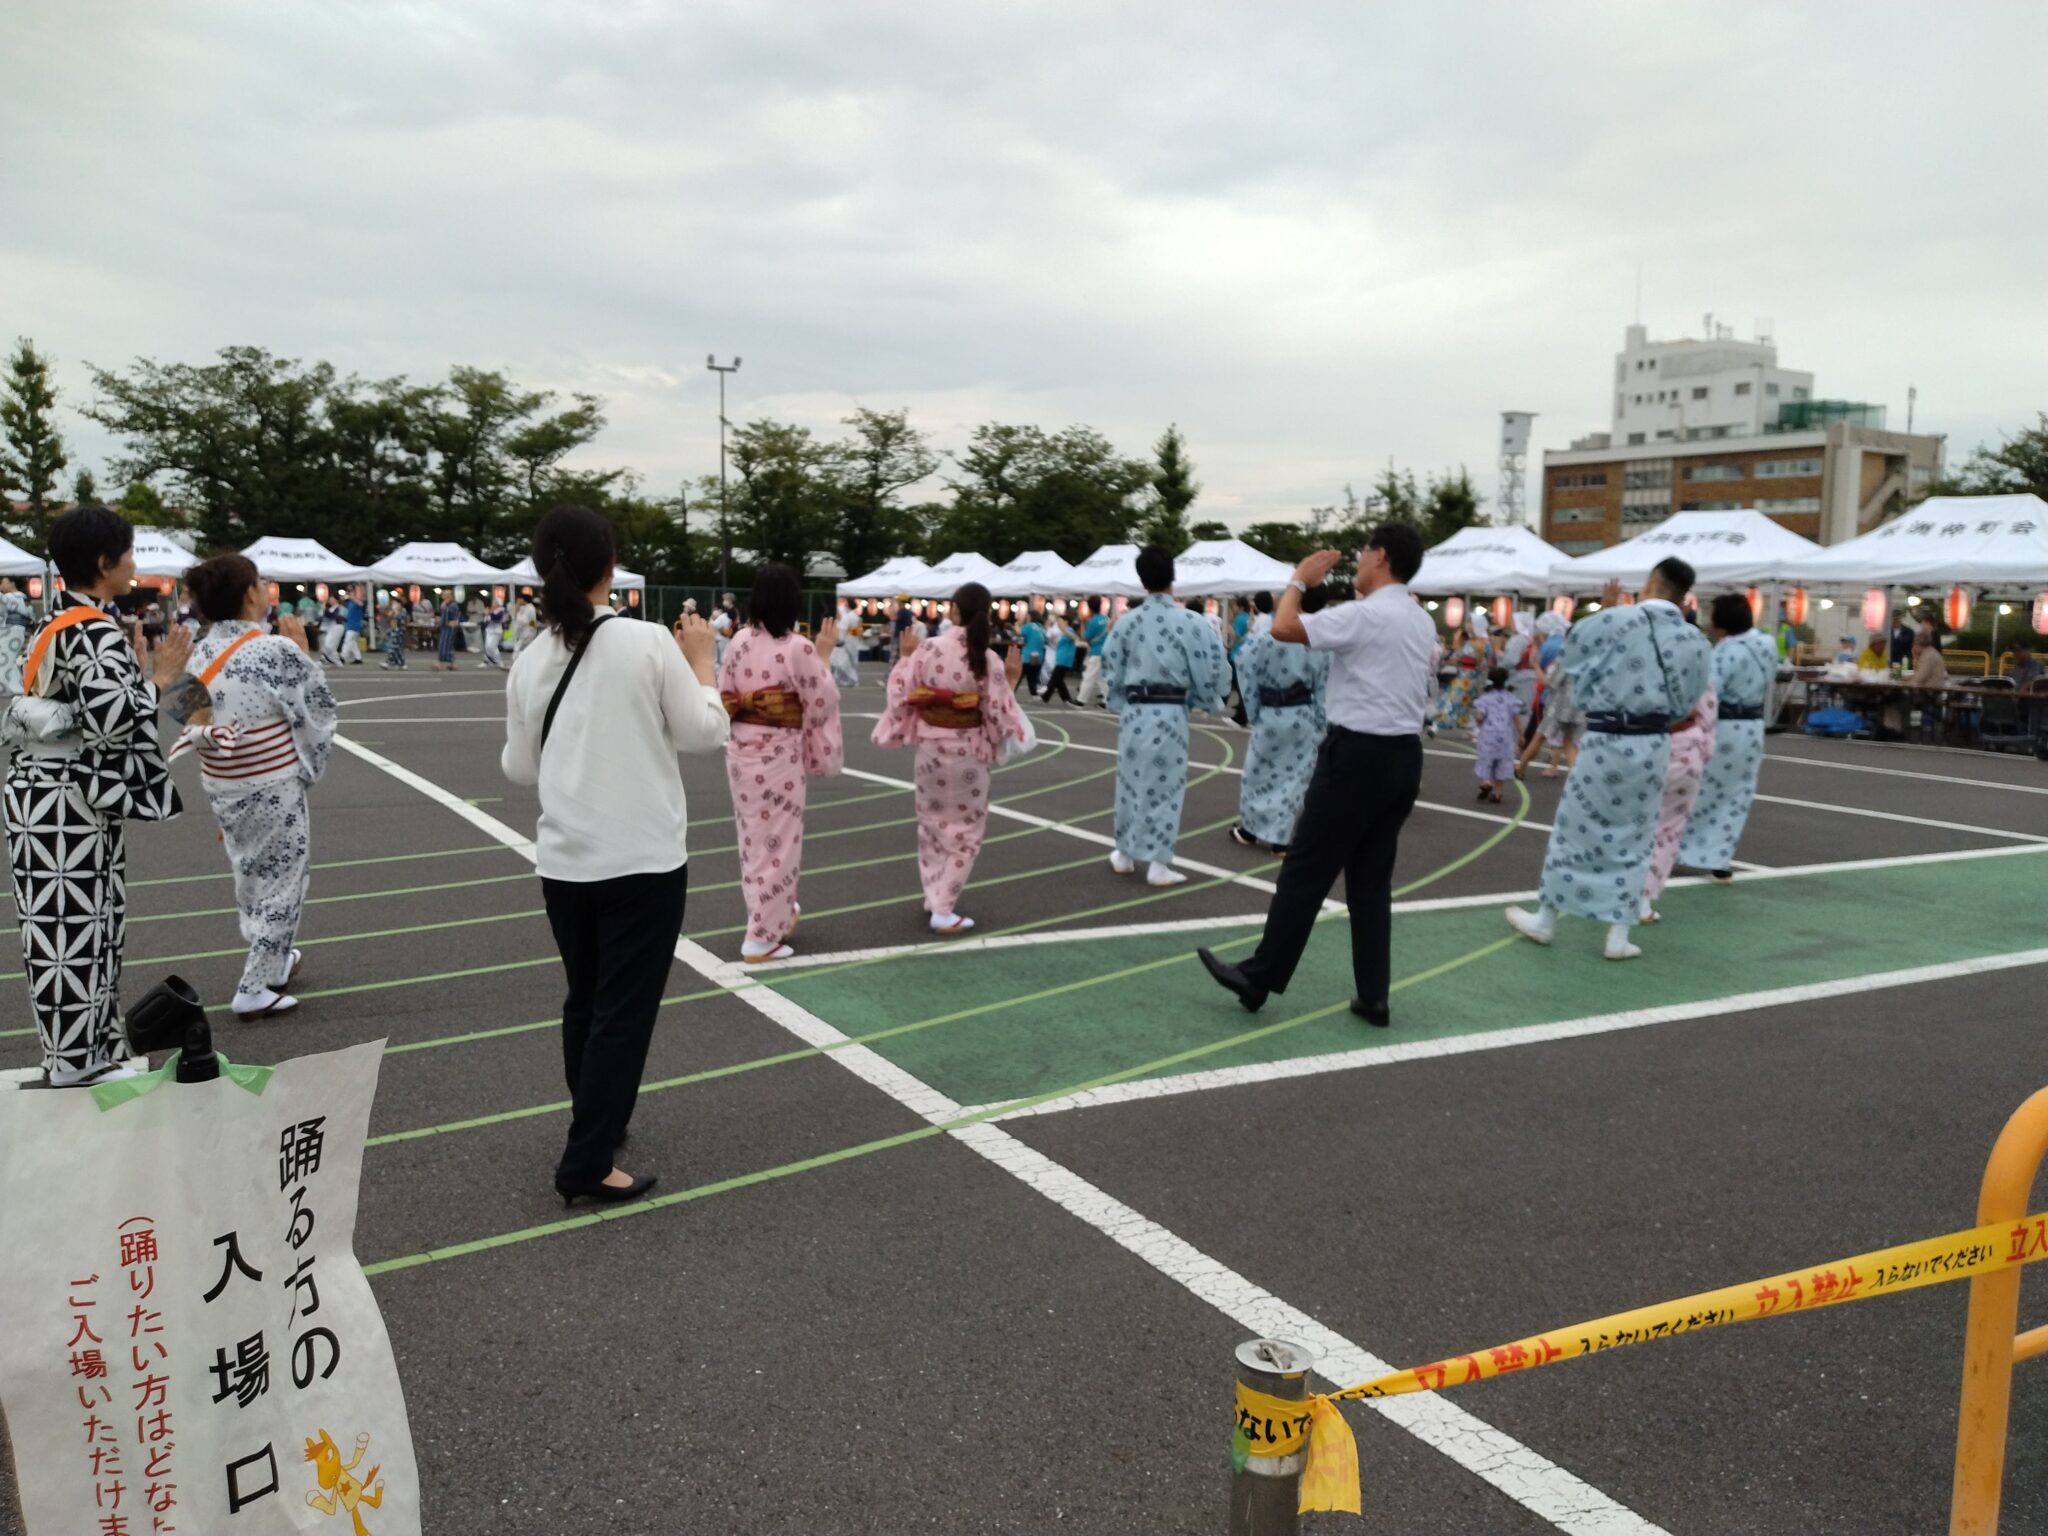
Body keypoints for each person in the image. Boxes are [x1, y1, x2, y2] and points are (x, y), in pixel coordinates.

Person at [502, 504, 728, 1206]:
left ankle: (598, 1121)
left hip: (564, 862)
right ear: (611, 565)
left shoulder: (530, 659)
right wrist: (704, 664)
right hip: (643, 860)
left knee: (588, 999)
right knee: (623, 1012)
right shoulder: (646, 641)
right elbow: (704, 732)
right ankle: (588, 1158)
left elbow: (518, 767)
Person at [1196, 524, 1433, 1026]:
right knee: (1371, 880)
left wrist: (1299, 580)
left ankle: (1260, 977)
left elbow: (1283, 627)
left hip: (1357, 754)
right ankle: (1373, 995)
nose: (1359, 563)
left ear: (1381, 557)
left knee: (1306, 870)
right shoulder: (1420, 620)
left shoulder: (1365, 615)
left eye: (1365, 553)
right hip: (1404, 756)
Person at [4, 505, 189, 1085]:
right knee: (75, 926)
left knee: (71, 922)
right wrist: (160, 680)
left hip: (42, 792)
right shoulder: (92, 630)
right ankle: (76, 1062)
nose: (135, 564)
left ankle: (86, 1051)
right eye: (129, 554)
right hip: (67, 798)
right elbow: (110, 722)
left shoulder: (56, 621)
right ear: (105, 563)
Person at [1504, 560, 1712, 961]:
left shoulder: (1610, 620)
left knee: (1574, 828)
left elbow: (1568, 666)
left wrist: (1607, 610)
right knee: (1637, 835)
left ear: (1649, 583)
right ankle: (1618, 935)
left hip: (1604, 738)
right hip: (1653, 743)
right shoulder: (1695, 640)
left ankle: (1546, 920)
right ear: (1683, 596)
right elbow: (1689, 701)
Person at [178, 554, 338, 1019]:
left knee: (249, 870)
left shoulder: (198, 652)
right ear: (251, 594)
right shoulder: (274, 650)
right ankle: (254, 986)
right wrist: (303, 656)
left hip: (222, 782)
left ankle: (273, 954)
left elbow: (186, 713)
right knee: (285, 878)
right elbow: (317, 710)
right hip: (270, 781)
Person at [871, 581, 1029, 932]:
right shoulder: (986, 658)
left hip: (930, 750)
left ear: (954, 610)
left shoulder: (927, 648)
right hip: (968, 753)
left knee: (930, 825)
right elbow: (999, 717)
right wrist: (1011, 681)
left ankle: (935, 896)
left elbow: (899, 695)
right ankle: (943, 908)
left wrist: (906, 658)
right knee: (967, 831)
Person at [721, 563, 845, 961]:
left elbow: (725, 692)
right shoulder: (797, 647)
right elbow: (822, 700)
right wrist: (823, 654)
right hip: (778, 759)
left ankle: (775, 914)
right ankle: (761, 935)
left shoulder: (739, 641)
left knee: (753, 843)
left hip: (741, 754)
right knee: (779, 844)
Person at [1101, 547, 1229, 886]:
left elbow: (1111, 666)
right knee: (1165, 786)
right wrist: (1209, 699)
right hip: (1170, 713)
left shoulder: (1126, 622)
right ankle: (1158, 864)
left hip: (1134, 712)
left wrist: (1119, 699)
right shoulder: (1192, 622)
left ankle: (1124, 853)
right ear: (1173, 575)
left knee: (1129, 782)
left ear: (1142, 580)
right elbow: (1212, 665)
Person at [1675, 593, 1778, 885]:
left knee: (1697, 789)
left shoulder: (1725, 651)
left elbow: (1709, 692)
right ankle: (1719, 857)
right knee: (1736, 796)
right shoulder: (1766, 644)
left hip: (1724, 727)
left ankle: (1682, 849)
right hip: (1752, 728)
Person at [1229, 585, 1330, 851]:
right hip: (1303, 714)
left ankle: (1250, 829)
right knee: (1294, 777)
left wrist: (1253, 709)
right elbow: (1324, 685)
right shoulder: (1321, 641)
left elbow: (1244, 664)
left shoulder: (1269, 635)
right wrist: (1321, 721)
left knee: (1258, 772)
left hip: (1270, 712)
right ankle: (1279, 837)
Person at [1639, 682, 1719, 924]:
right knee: (1667, 829)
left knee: (1627, 824)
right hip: (1683, 747)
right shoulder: (1698, 670)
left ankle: (1609, 889)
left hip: (1636, 745)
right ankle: (1642, 900)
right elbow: (1708, 716)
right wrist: (1703, 751)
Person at [1516, 645, 1585, 779]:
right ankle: (1576, 777)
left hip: (1558, 707)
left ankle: (1521, 767)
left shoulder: (1566, 660)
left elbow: (1549, 683)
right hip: (1577, 708)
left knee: (1539, 736)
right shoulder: (1587, 660)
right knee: (1569, 743)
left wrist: (1536, 666)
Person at [1471, 665, 1524, 804]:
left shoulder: (1486, 698)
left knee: (1486, 759)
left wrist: (1478, 723)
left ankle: (1486, 782)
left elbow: (1480, 717)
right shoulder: (1510, 698)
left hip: (1488, 735)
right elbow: (1516, 718)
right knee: (1502, 763)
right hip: (1505, 736)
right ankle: (1497, 793)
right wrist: (1521, 735)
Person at [1431, 621, 1484, 732]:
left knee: (1453, 699)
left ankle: (1442, 722)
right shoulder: (1471, 643)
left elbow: (1474, 661)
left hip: (1469, 677)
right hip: (1466, 675)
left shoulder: (1477, 643)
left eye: (1471, 624)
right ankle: (1448, 721)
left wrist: (1457, 660)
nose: (1468, 626)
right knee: (1455, 699)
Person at [0, 575, 32, 695]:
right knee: (12, 660)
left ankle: (13, 686)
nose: (1, 585)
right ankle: (16, 685)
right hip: (18, 631)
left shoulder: (11, 597)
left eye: (3, 582)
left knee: (9, 660)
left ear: (12, 582)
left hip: (12, 630)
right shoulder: (23, 598)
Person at [1077, 597, 1111, 707]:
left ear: (1089, 607)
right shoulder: (1107, 619)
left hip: (1097, 652)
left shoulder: (1093, 621)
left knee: (1089, 676)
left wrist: (1082, 623)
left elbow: (1085, 638)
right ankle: (1107, 700)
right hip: (1108, 650)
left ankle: (1080, 700)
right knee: (1103, 677)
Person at [1041, 610, 1078, 703]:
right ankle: (1066, 698)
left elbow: (1074, 637)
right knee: (1058, 680)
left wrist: (1063, 629)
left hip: (1064, 658)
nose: (1058, 623)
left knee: (1055, 678)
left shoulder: (1069, 630)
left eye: (1060, 621)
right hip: (1061, 658)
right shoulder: (1062, 632)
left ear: (1066, 622)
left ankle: (1045, 697)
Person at [829, 598, 863, 688]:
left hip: (847, 641)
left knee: (844, 661)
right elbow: (859, 630)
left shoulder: (848, 617)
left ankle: (847, 679)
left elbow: (843, 629)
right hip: (854, 641)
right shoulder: (855, 616)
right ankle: (849, 679)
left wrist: (840, 638)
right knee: (851, 660)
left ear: (847, 605)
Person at [1018, 608, 1047, 690]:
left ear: (1030, 617)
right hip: (1038, 657)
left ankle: (1010, 693)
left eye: (1027, 616)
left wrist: (1018, 624)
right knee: (1032, 678)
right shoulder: (1042, 628)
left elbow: (1019, 632)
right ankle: (1034, 693)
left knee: (1018, 677)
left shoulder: (1029, 626)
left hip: (1027, 656)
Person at [434, 590, 462, 671]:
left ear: (450, 596)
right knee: (446, 645)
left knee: (445, 645)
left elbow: (452, 615)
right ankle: (451, 663)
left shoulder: (453, 605)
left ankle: (440, 663)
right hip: (445, 626)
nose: (444, 597)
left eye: (445, 595)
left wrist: (444, 607)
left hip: (449, 627)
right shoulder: (447, 604)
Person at [480, 593, 508, 669]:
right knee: (487, 646)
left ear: (498, 604)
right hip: (489, 631)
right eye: (493, 602)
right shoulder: (491, 610)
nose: (493, 604)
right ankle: (487, 661)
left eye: (495, 602)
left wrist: (489, 613)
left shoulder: (501, 610)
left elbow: (497, 619)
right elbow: (486, 621)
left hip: (496, 631)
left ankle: (499, 661)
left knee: (491, 646)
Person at [381, 594, 409, 669]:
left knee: (393, 647)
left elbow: (400, 619)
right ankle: (401, 663)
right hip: (393, 631)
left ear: (399, 604)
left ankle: (388, 662)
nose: (393, 605)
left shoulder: (403, 611)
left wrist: (395, 612)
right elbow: (390, 621)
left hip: (400, 632)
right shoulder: (394, 611)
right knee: (397, 648)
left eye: (395, 603)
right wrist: (391, 613)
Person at [341, 587, 367, 664]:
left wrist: (353, 597)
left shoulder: (357, 602)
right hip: (349, 625)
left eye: (351, 592)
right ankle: (358, 658)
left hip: (355, 625)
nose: (350, 594)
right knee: (352, 642)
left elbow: (361, 604)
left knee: (348, 640)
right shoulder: (350, 603)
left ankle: (343, 656)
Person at [712, 592, 737, 670]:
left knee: (723, 656)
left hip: (726, 636)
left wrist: (723, 629)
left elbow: (730, 623)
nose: (724, 602)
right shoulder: (729, 611)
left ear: (729, 601)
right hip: (726, 635)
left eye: (725, 600)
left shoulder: (732, 612)